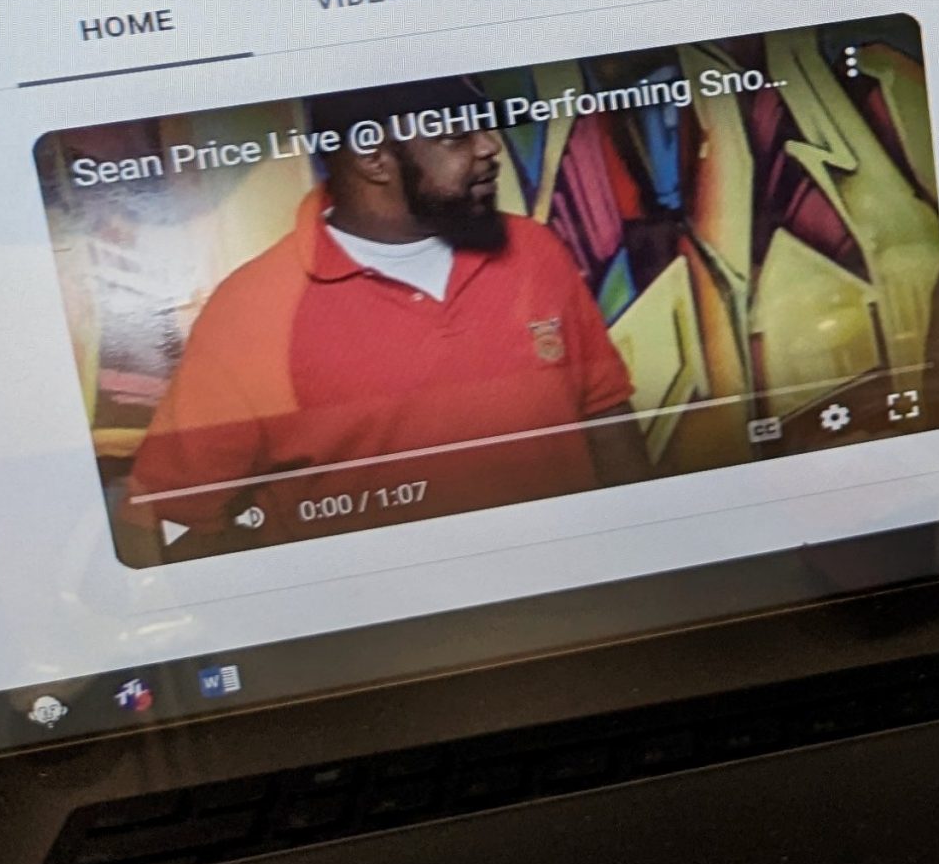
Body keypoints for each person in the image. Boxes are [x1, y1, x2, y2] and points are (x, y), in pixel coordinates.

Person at [123, 75, 649, 548]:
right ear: (373, 157)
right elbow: (171, 514)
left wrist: (643, 551)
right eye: (456, 134)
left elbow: (604, 415)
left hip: (571, 592)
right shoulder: (252, 310)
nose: (490, 147)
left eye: (484, 128)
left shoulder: (534, 251)